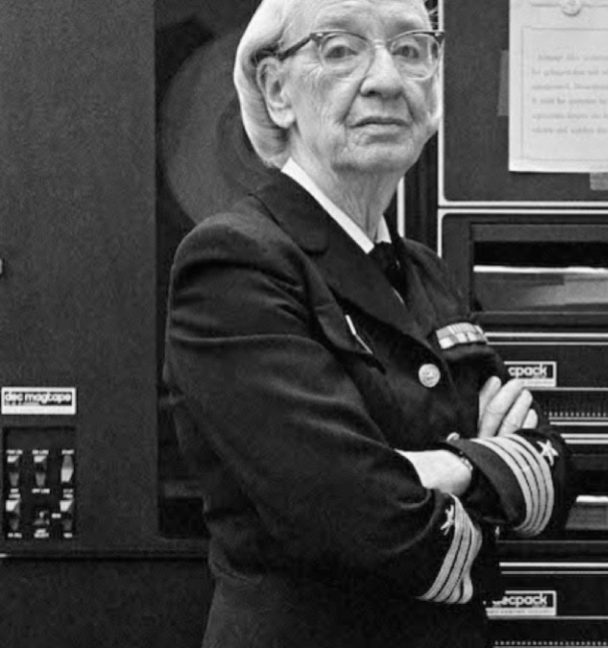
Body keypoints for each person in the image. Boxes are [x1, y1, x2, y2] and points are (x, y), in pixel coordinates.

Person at [162, 1, 572, 646]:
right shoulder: (235, 261)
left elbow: (552, 472)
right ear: (276, 91)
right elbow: (351, 514)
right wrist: (480, 464)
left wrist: (424, 468)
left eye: (411, 49)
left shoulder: (425, 272)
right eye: (340, 49)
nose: (386, 80)